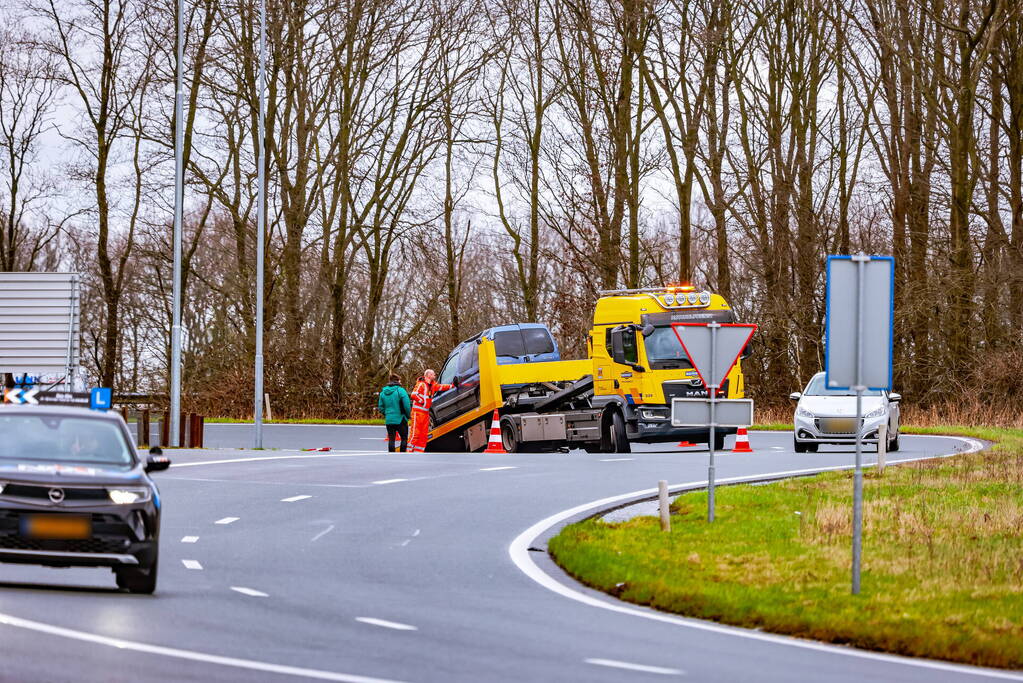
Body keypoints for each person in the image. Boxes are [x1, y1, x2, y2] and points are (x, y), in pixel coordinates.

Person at [407, 369, 453, 453]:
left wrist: (452, 386)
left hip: (425, 413)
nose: (435, 376)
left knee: (423, 435)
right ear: (428, 375)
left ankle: (418, 452)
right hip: (418, 413)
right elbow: (413, 395)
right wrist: (422, 402)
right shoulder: (421, 384)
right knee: (415, 434)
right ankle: (409, 452)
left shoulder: (432, 385)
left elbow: (441, 387)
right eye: (433, 374)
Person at [377, 373, 411, 453]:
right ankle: (402, 455)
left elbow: (380, 407)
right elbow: (407, 405)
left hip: (389, 419)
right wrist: (408, 415)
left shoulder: (383, 393)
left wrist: (387, 414)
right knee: (404, 438)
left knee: (391, 439)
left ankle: (391, 456)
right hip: (400, 419)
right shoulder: (400, 391)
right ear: (398, 381)